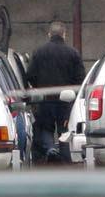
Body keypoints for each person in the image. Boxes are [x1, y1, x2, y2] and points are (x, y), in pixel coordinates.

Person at [26, 21, 85, 163]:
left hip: (45, 98)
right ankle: (65, 159)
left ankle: (51, 149)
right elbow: (80, 77)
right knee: (64, 130)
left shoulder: (38, 52)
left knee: (45, 128)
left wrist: (39, 87)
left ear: (49, 34)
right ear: (64, 34)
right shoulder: (73, 53)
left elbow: (30, 75)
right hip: (66, 99)